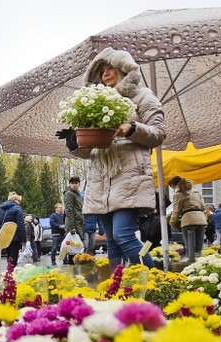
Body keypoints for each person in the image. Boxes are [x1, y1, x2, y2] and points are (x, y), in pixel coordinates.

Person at [63, 48, 164, 269]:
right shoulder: (93, 103)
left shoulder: (142, 96)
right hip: (101, 179)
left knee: (123, 235)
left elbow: (158, 133)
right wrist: (74, 143)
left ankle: (156, 280)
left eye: (111, 68)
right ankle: (117, 285)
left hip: (129, 176)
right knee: (112, 241)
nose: (106, 74)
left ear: (124, 69)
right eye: (102, 71)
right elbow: (90, 151)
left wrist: (131, 129)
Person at [168, 176, 206, 262]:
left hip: (188, 219)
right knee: (199, 248)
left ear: (173, 185)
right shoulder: (196, 191)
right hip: (201, 219)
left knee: (190, 247)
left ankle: (191, 264)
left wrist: (172, 222)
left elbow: (176, 211)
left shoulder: (178, 194)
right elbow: (203, 207)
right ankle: (200, 264)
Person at [0, 192, 26, 266]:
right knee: (13, 256)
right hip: (14, 236)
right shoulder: (18, 209)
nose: (19, 203)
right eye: (19, 201)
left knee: (9, 255)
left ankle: (9, 270)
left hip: (4, 235)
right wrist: (23, 239)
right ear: (16, 200)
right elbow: (20, 225)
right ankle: (11, 271)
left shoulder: (1, 209)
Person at [63, 176, 84, 249]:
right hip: (73, 224)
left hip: (79, 222)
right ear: (70, 184)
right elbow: (69, 210)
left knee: (77, 246)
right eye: (72, 183)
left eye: (76, 183)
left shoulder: (78, 195)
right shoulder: (69, 194)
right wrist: (72, 227)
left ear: (79, 184)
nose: (74, 185)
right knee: (73, 247)